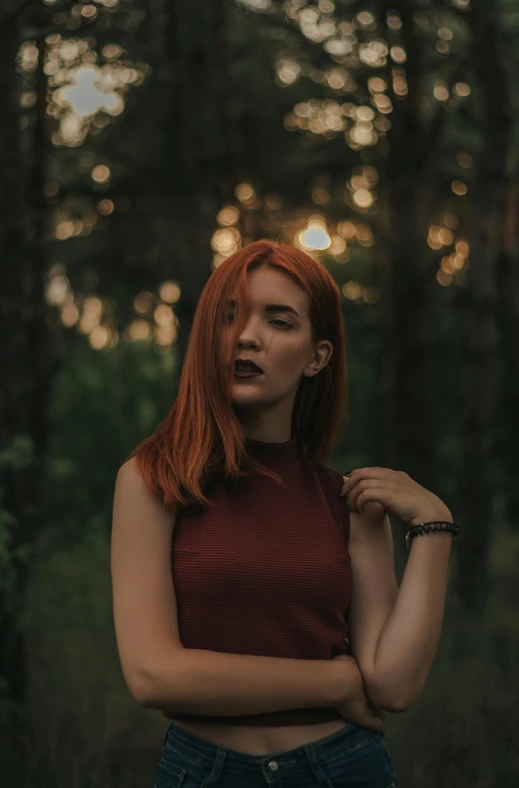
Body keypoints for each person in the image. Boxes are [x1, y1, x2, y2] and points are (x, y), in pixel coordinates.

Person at [111, 239, 458, 787]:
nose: (247, 336)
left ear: (317, 356)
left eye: (278, 321)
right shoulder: (153, 480)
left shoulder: (346, 501)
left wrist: (434, 527)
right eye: (229, 317)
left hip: (341, 769)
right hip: (204, 772)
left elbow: (393, 686)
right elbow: (155, 676)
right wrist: (335, 684)